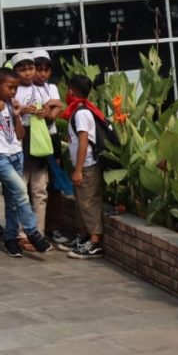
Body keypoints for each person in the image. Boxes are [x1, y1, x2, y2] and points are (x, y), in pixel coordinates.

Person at [0, 67, 51, 257]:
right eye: (10, 87)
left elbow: (20, 135)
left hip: (16, 154)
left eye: (15, 88)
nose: (13, 92)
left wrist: (17, 115)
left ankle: (10, 239)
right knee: (20, 190)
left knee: (12, 200)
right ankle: (32, 230)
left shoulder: (13, 104)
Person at [14, 52, 57, 252]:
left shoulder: (41, 90)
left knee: (39, 190)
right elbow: (7, 115)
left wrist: (43, 112)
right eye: (22, 69)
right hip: (20, 141)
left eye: (30, 68)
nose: (28, 73)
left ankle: (38, 232)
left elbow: (50, 115)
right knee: (21, 189)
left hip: (39, 142)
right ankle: (21, 233)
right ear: (15, 72)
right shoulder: (12, 90)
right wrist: (22, 111)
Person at [63, 75, 105, 259]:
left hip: (87, 165)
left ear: (72, 90)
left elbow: (83, 141)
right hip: (83, 165)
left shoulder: (81, 113)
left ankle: (95, 242)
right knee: (82, 202)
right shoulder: (79, 111)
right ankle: (85, 236)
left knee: (89, 203)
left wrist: (78, 169)